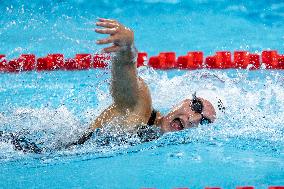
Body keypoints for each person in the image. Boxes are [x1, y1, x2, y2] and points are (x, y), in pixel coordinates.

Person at [70, 18, 218, 146]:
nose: (193, 119)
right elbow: (126, 81)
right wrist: (126, 50)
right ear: (184, 101)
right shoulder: (141, 106)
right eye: (197, 106)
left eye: (204, 122)